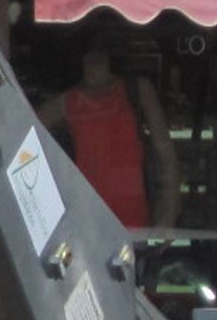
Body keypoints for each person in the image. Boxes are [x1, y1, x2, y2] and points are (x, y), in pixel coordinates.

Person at [39, 43, 179, 230]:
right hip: (87, 221)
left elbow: (166, 155)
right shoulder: (67, 102)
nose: (94, 63)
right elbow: (23, 134)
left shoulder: (136, 91)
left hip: (133, 222)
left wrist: (167, 218)